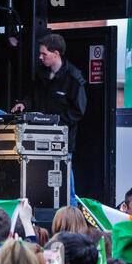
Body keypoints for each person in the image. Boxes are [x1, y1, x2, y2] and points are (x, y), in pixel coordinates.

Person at [11, 33, 87, 207]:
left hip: (62, 142)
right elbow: (32, 96)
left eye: (44, 54)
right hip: (36, 139)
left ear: (56, 54)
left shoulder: (74, 79)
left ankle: (71, 226)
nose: (40, 57)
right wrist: (24, 103)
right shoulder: (40, 75)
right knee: (36, 185)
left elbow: (78, 111)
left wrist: (55, 123)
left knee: (67, 189)